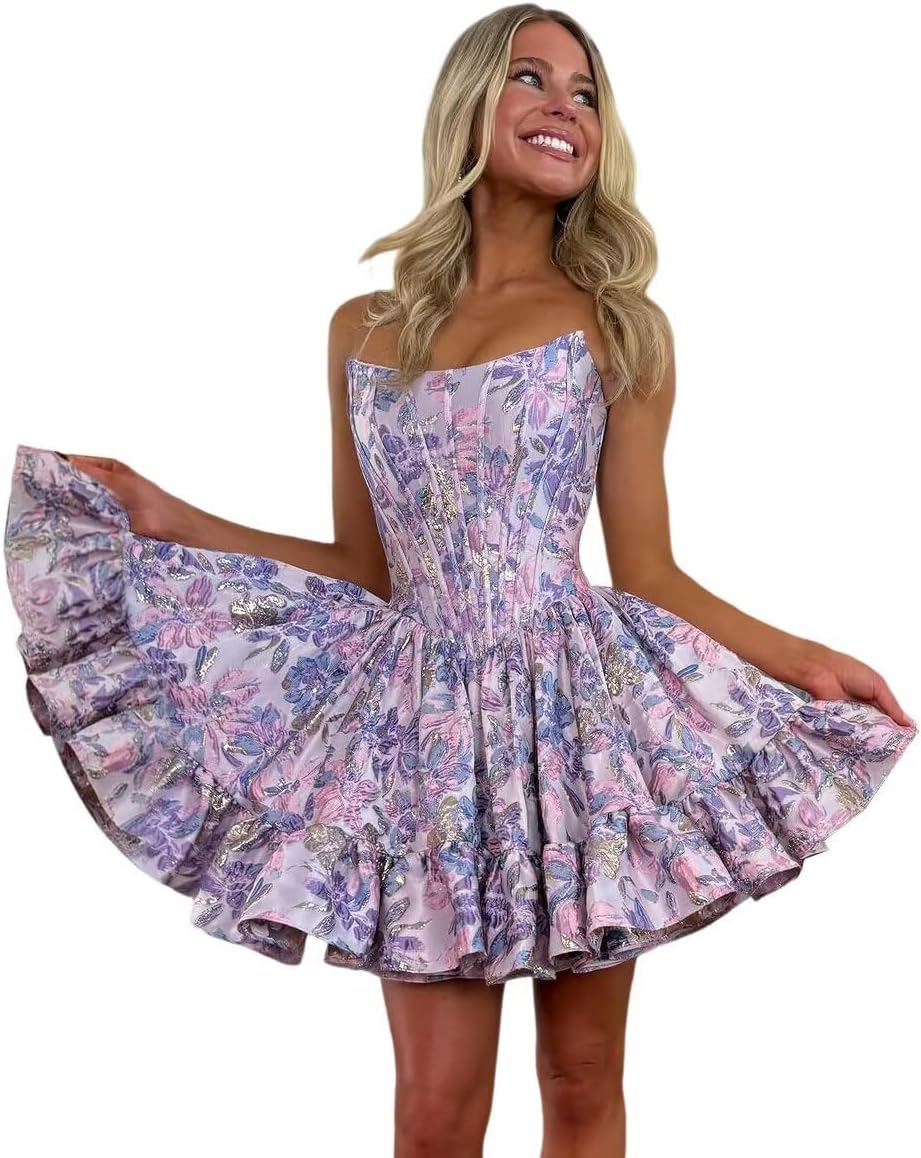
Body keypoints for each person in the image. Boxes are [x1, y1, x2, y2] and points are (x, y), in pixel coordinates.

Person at [4, 6, 916, 1157]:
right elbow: (362, 569)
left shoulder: (617, 326)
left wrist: (802, 659)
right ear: (469, 105)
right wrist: (168, 514)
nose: (563, 107)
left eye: (585, 93)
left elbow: (648, 570)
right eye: (532, 78)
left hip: (573, 724)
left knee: (579, 1079)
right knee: (434, 1113)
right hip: (424, 732)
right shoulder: (364, 329)